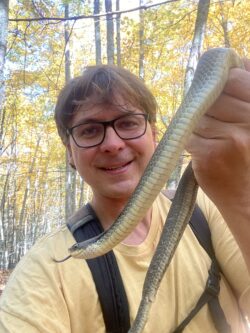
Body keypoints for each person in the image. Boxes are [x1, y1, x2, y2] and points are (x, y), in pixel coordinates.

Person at [0, 59, 250, 333]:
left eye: (128, 123)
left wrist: (240, 195)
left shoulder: (210, 208)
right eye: (90, 130)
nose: (112, 144)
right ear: (70, 153)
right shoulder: (43, 272)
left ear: (154, 136)